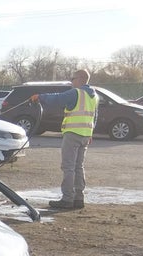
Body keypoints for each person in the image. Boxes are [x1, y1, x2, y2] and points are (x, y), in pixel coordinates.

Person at [30, 69, 98, 210]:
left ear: (79, 79)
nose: (71, 81)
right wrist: (90, 133)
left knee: (68, 167)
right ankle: (79, 198)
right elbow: (94, 116)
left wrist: (39, 97)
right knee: (79, 167)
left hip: (73, 133)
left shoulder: (76, 93)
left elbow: (57, 98)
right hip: (85, 134)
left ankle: (67, 199)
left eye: (72, 78)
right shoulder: (94, 96)